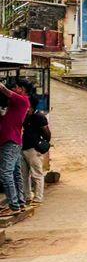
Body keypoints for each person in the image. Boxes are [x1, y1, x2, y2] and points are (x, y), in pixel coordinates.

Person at [0, 80, 32, 216]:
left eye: (17, 87)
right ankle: (20, 202)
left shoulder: (22, 100)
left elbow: (3, 89)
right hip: (12, 141)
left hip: (11, 141)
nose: (15, 89)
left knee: (5, 173)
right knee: (15, 173)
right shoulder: (15, 105)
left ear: (22, 89)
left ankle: (13, 205)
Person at [22, 94, 50, 205]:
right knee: (24, 175)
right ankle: (27, 196)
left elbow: (47, 133)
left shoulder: (39, 117)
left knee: (36, 174)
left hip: (34, 149)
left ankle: (38, 197)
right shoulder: (25, 117)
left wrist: (43, 144)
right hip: (23, 148)